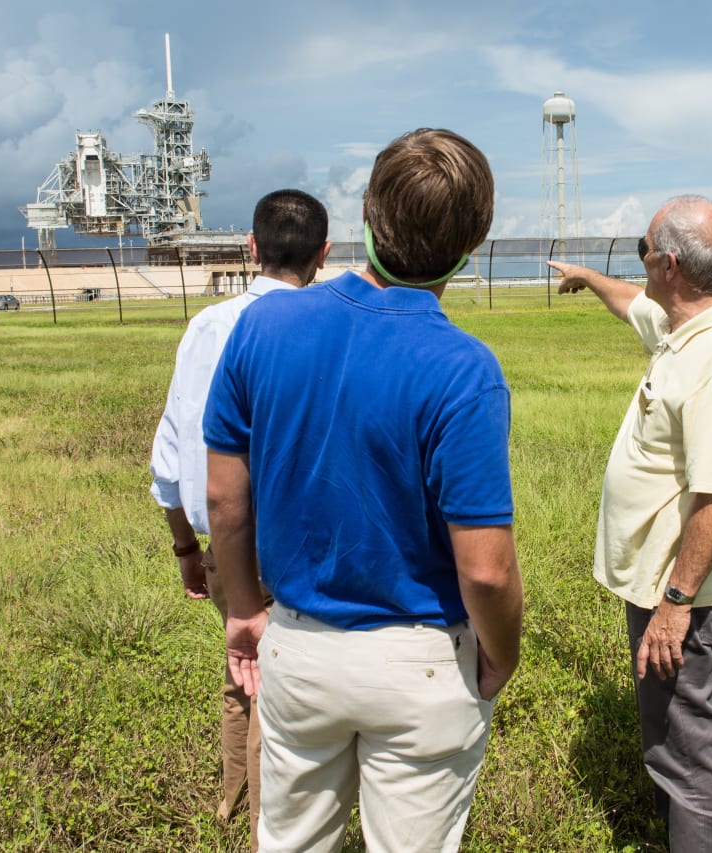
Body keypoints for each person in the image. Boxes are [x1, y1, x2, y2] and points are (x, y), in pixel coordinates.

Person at [204, 128, 523, 853]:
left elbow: (225, 499)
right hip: (423, 659)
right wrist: (503, 652)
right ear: (473, 239)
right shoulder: (465, 368)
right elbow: (485, 566)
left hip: (299, 645)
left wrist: (245, 607)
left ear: (367, 210)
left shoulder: (263, 325)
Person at [549, 195, 712, 852]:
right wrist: (591, 279)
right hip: (658, 586)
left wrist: (676, 604)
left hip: (678, 593)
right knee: (667, 734)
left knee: (688, 751)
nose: (639, 262)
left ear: (669, 264)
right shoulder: (685, 325)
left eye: (642, 250)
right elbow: (634, 305)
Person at [149, 189, 330, 848]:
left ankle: (231, 796)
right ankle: (268, 826)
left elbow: (171, 447)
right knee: (276, 689)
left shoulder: (206, 326)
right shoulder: (325, 324)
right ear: (324, 253)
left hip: (222, 543)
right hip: (296, 542)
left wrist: (184, 546)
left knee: (238, 670)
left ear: (250, 248)